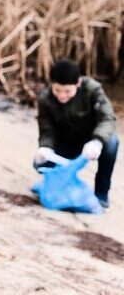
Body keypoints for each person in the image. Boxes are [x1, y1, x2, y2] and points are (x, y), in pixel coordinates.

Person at [34, 58, 118, 208]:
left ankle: (101, 194)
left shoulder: (92, 90)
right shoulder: (45, 99)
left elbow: (108, 119)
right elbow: (47, 130)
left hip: (90, 142)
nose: (62, 95)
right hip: (65, 143)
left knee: (112, 142)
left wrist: (97, 141)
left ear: (78, 84)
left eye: (67, 91)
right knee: (39, 162)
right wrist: (45, 147)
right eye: (57, 90)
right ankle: (57, 187)